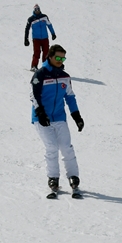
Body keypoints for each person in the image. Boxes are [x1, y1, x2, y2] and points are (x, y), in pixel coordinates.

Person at [30, 44, 84, 197]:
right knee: (52, 147)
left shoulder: (65, 77)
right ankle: (53, 178)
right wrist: (40, 112)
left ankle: (73, 177)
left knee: (66, 147)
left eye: (63, 58)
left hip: (59, 116)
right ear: (50, 57)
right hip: (42, 118)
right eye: (58, 57)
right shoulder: (40, 75)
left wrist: (77, 116)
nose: (60, 60)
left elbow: (70, 97)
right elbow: (33, 95)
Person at [24, 5, 57, 69]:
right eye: (36, 9)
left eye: (38, 9)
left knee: (46, 52)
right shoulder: (31, 19)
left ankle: (45, 66)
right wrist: (26, 39)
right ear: (34, 10)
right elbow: (27, 29)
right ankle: (34, 66)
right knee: (37, 52)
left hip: (45, 38)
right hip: (36, 39)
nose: (37, 11)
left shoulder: (44, 17)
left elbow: (49, 25)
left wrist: (53, 33)